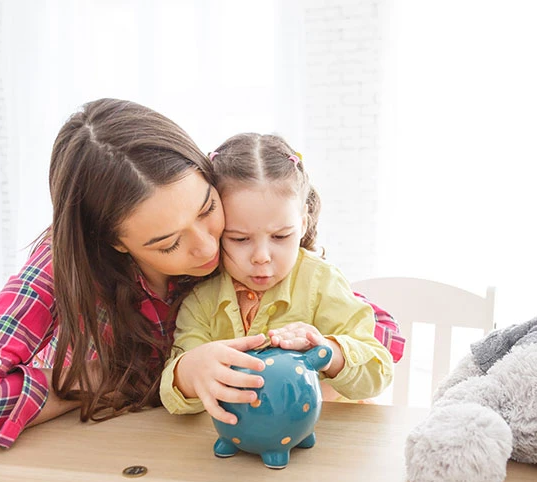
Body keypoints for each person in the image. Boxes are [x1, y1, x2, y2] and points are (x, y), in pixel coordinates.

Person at [0, 99, 403, 450]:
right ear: (112, 241)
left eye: (209, 210)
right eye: (167, 243)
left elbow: (382, 333)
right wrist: (101, 378)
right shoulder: (61, 268)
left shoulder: (243, 251)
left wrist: (314, 365)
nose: (206, 246)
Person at [160, 133, 395, 424]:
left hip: (330, 438)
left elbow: (379, 371)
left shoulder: (321, 282)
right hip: (241, 440)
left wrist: (330, 352)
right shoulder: (202, 295)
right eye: (240, 238)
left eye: (281, 236)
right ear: (218, 229)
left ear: (303, 223)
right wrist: (190, 371)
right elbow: (175, 400)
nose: (262, 256)